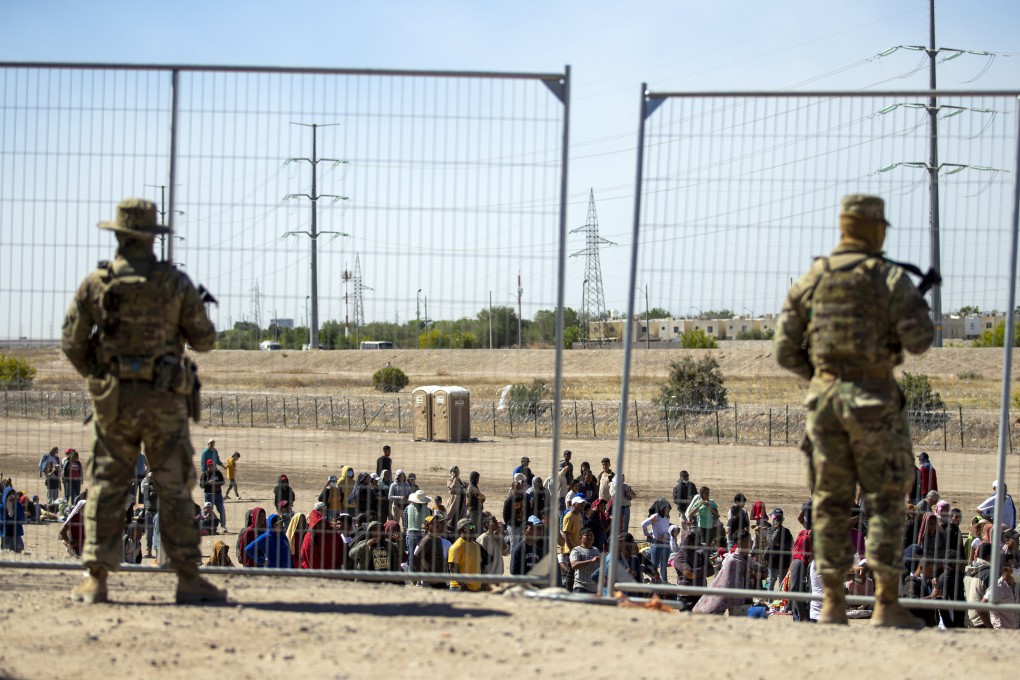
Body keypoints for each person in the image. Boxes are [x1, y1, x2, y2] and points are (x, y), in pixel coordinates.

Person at [774, 194, 935, 628]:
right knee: (884, 501)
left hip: (825, 406)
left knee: (829, 502)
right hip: (875, 401)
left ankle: (830, 603)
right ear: (876, 228)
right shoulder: (886, 276)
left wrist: (822, 376)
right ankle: (884, 604)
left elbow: (785, 348)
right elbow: (920, 338)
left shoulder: (814, 276)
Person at [61, 198, 224, 604]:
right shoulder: (175, 283)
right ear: (153, 237)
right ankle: (187, 577)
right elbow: (204, 340)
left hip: (114, 401)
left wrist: (101, 377)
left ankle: (96, 579)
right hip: (164, 402)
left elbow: (72, 342)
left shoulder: (97, 284)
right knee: (173, 487)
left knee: (106, 485)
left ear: (117, 234)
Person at [301, 504, 344, 570]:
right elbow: (312, 559)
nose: (320, 525)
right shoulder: (309, 537)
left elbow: (340, 548)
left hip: (334, 569)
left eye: (321, 522)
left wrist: (339, 564)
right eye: (317, 523)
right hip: (316, 571)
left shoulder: (332, 532)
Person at [640, 497, 673, 583]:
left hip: (666, 543)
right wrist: (646, 533)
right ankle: (653, 583)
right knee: (654, 566)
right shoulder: (655, 517)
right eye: (667, 508)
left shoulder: (667, 517)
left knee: (664, 566)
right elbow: (643, 524)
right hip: (657, 544)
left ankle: (665, 582)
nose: (668, 510)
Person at [448, 518, 483, 591]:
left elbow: (478, 566)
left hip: (475, 588)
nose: (473, 528)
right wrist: (463, 585)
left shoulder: (475, 545)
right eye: (471, 527)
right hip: (460, 589)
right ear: (463, 529)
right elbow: (453, 569)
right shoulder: (457, 546)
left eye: (473, 526)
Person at [414, 515, 449, 588]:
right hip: (431, 583)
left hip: (441, 580)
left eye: (437, 522)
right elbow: (416, 558)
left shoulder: (438, 539)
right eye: (433, 523)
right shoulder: (427, 540)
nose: (437, 525)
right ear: (427, 526)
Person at [764, 508, 793, 591]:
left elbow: (790, 545)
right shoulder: (769, 530)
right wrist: (777, 530)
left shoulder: (787, 531)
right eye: (775, 519)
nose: (777, 521)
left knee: (782, 582)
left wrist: (779, 545)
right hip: (772, 560)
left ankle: (780, 601)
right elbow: (772, 542)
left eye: (779, 519)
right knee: (771, 580)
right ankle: (770, 601)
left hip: (783, 561)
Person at [569, 527, 601, 594]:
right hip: (580, 588)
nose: (589, 537)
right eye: (586, 535)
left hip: (594, 589)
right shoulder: (576, 550)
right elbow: (574, 565)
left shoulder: (596, 550)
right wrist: (591, 561)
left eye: (591, 535)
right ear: (580, 538)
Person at [199, 460, 227, 532]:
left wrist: (216, 482)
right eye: (211, 465)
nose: (213, 466)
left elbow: (223, 482)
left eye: (213, 465)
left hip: (218, 494)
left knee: (222, 510)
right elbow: (201, 485)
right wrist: (208, 482)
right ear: (208, 466)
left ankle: (223, 526)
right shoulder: (204, 474)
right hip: (208, 495)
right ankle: (208, 527)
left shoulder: (218, 473)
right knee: (208, 511)